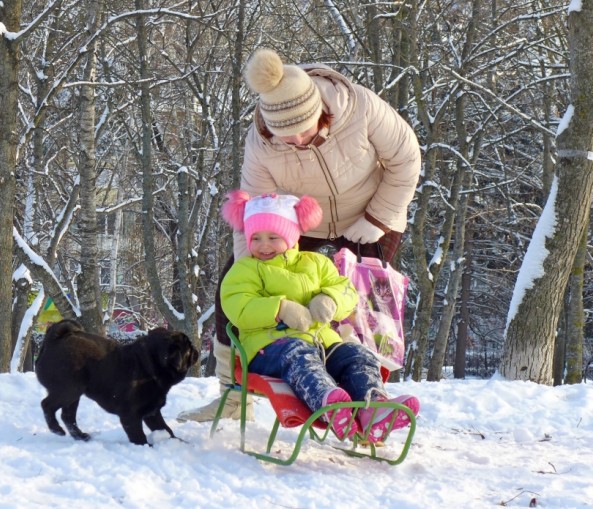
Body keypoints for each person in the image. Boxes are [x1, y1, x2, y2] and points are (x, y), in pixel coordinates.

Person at [177, 48, 421, 423]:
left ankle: (369, 398)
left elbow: (407, 158)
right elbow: (254, 211)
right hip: (294, 221)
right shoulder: (260, 143)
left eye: (302, 131)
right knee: (231, 285)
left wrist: (378, 217)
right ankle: (233, 397)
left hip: (372, 210)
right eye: (284, 136)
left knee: (364, 301)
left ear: (319, 113)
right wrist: (246, 273)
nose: (294, 141)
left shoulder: (360, 107)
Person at [217, 191, 419, 441]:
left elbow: (347, 290)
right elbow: (238, 306)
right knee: (297, 353)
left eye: (273, 236)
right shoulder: (246, 269)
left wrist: (331, 299)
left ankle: (373, 406)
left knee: (357, 355)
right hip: (268, 349)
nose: (263, 245)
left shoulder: (316, 263)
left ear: (291, 236)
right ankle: (328, 403)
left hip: (324, 344)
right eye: (255, 238)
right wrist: (278, 309)